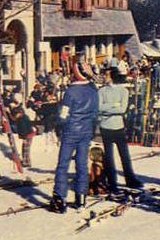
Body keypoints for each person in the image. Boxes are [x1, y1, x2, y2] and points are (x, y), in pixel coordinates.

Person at [49, 58, 99, 213]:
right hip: (86, 131)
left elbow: (64, 114)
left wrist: (57, 123)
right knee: (82, 165)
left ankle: (60, 197)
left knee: (63, 165)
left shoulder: (71, 91)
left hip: (71, 131)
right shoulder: (93, 90)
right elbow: (95, 113)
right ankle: (81, 197)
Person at [98, 67, 144, 196]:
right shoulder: (101, 91)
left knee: (124, 155)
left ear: (112, 76)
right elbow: (98, 107)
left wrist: (107, 109)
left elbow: (122, 109)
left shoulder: (123, 91)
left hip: (118, 126)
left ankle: (130, 178)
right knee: (109, 156)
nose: (104, 77)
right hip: (106, 126)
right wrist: (114, 105)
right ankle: (112, 182)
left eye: (106, 75)